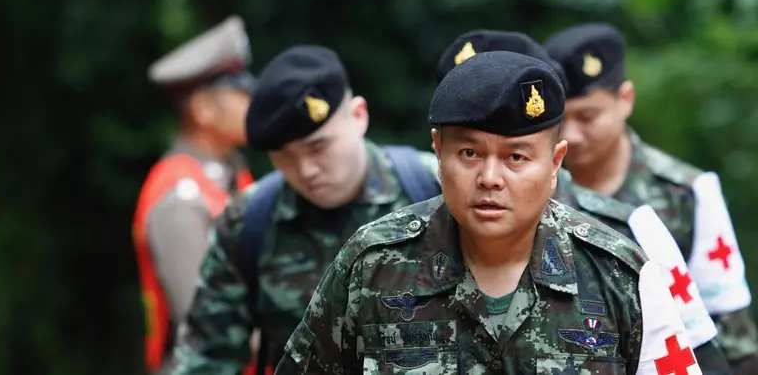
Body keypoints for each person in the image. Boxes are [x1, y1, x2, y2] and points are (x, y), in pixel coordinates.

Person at [275, 50, 702, 374]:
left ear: (555, 164)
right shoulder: (373, 266)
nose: (490, 178)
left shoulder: (620, 277)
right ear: (437, 152)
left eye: (516, 157)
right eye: (468, 153)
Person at [435, 29, 731, 371]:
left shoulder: (627, 238)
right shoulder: (391, 253)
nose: (489, 175)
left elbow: (705, 356)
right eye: (469, 146)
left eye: (513, 147)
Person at [171, 45, 442, 375]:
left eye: (319, 147)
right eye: (285, 155)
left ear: (358, 116)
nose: (307, 169)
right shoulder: (250, 221)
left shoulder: (436, 190)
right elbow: (207, 358)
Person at [544, 23, 758, 374]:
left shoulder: (686, 192)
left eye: (588, 116)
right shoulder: (534, 191)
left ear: (625, 99)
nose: (572, 134)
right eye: (561, 119)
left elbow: (730, 330)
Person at [133, 16, 256, 374]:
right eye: (240, 93)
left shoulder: (233, 175)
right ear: (203, 109)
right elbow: (209, 325)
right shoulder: (178, 199)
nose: (252, 102)